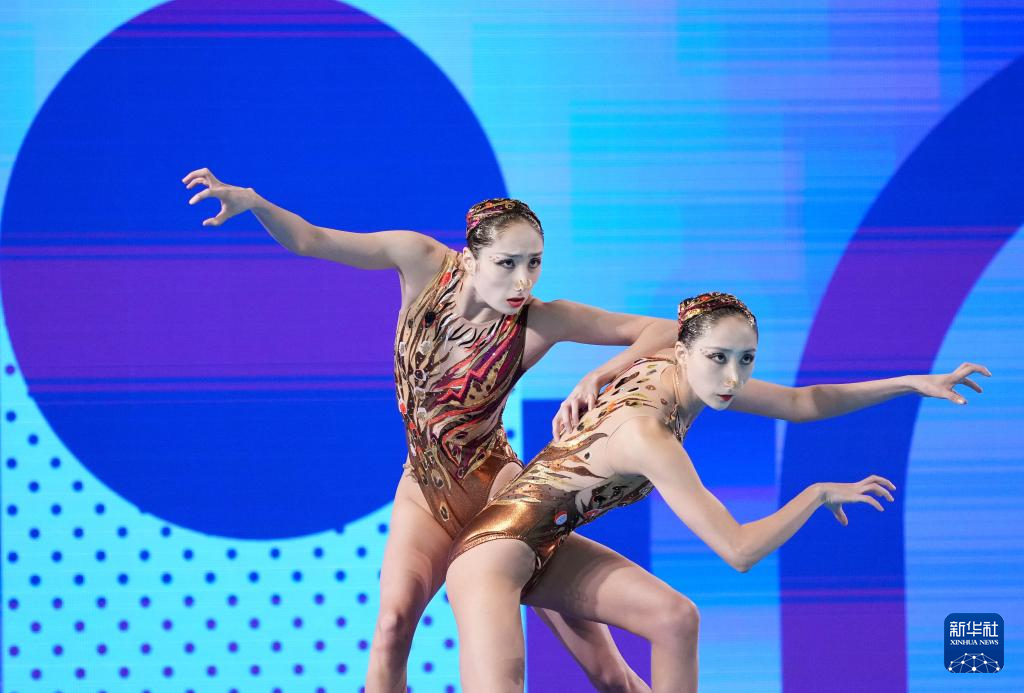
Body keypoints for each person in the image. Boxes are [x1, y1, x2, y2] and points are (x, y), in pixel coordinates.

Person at [182, 168, 681, 692]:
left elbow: (669, 330)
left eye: (534, 263)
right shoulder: (419, 260)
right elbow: (312, 240)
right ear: (469, 259)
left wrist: (598, 375)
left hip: (503, 502)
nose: (523, 281)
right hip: (423, 489)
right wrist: (256, 202)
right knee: (392, 627)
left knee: (607, 673)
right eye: (507, 263)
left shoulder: (541, 321)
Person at [446, 291, 990, 692]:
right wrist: (817, 494)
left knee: (674, 620)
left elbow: (802, 402)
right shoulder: (648, 435)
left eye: (745, 359)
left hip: (546, 543)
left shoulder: (682, 371)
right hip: (492, 557)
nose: (732, 378)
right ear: (684, 351)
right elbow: (739, 550)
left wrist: (911, 383)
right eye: (719, 358)